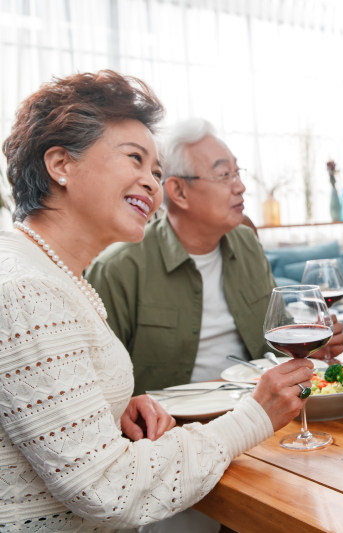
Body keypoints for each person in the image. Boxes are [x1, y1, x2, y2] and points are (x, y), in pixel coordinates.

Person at [0, 71, 313, 530]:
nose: (151, 183)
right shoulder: (27, 289)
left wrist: (109, 411)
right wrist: (253, 418)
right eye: (134, 159)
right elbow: (107, 489)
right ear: (61, 164)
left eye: (156, 170)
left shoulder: (50, 274)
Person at [85, 118, 343, 395]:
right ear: (179, 192)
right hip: (171, 427)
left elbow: (277, 334)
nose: (241, 186)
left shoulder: (247, 244)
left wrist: (311, 350)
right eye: (224, 175)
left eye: (238, 172)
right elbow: (98, 386)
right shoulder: (118, 268)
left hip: (259, 409)